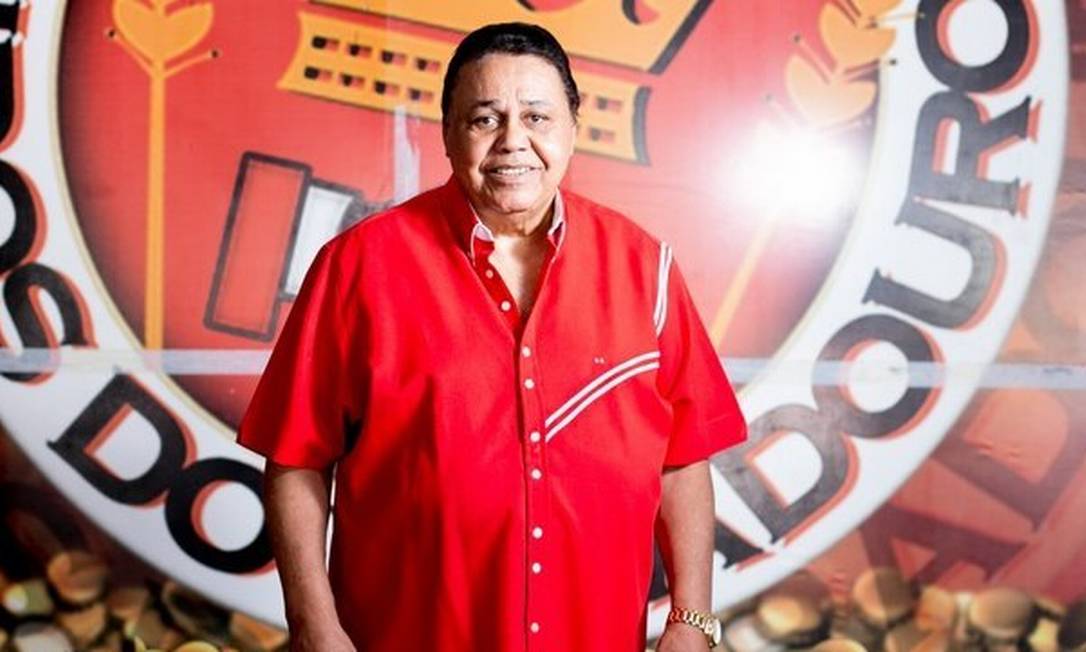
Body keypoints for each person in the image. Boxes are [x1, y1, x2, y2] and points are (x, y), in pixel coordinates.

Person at [238, 22, 746, 652]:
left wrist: (691, 619)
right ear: (448, 133)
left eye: (537, 117)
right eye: (485, 119)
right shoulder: (357, 268)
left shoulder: (646, 267)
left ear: (573, 128)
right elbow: (296, 460)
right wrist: (314, 624)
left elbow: (681, 457)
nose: (513, 141)